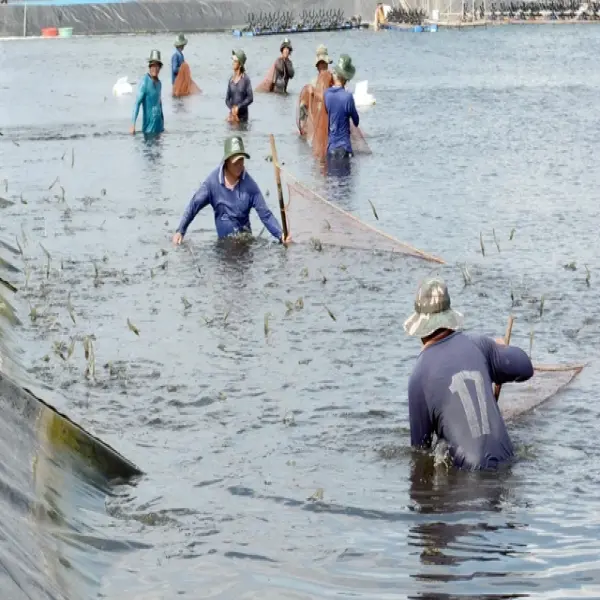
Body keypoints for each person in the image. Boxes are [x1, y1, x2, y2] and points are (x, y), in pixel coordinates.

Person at [404, 277, 534, 471]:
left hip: (468, 478)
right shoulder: (480, 345)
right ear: (449, 317)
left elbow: (420, 452)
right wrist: (500, 350)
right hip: (507, 463)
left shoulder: (419, 376)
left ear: (421, 327)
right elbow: (525, 367)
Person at [172, 135, 290, 245]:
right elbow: (194, 205)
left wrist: (281, 235)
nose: (239, 165)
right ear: (226, 162)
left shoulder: (250, 187)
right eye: (235, 162)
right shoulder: (212, 183)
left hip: (244, 245)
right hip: (222, 245)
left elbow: (266, 215)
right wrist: (180, 231)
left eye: (241, 160)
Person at [323, 55, 360, 159]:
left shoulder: (326, 94)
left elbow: (328, 112)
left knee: (332, 175)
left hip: (331, 149)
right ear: (346, 78)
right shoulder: (348, 97)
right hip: (344, 149)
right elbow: (356, 122)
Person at [130, 50, 164, 136]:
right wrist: (132, 125)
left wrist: (163, 125)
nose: (155, 69)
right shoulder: (144, 82)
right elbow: (137, 104)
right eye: (153, 66)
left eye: (157, 66)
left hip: (159, 129)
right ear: (150, 66)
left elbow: (159, 104)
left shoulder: (159, 84)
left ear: (160, 68)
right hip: (148, 130)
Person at [226, 49, 253, 123]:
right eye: (233, 61)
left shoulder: (246, 80)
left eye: (235, 61)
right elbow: (227, 99)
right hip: (232, 116)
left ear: (240, 64)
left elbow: (250, 98)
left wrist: (239, 107)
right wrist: (232, 108)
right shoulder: (231, 80)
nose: (233, 63)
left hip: (243, 119)